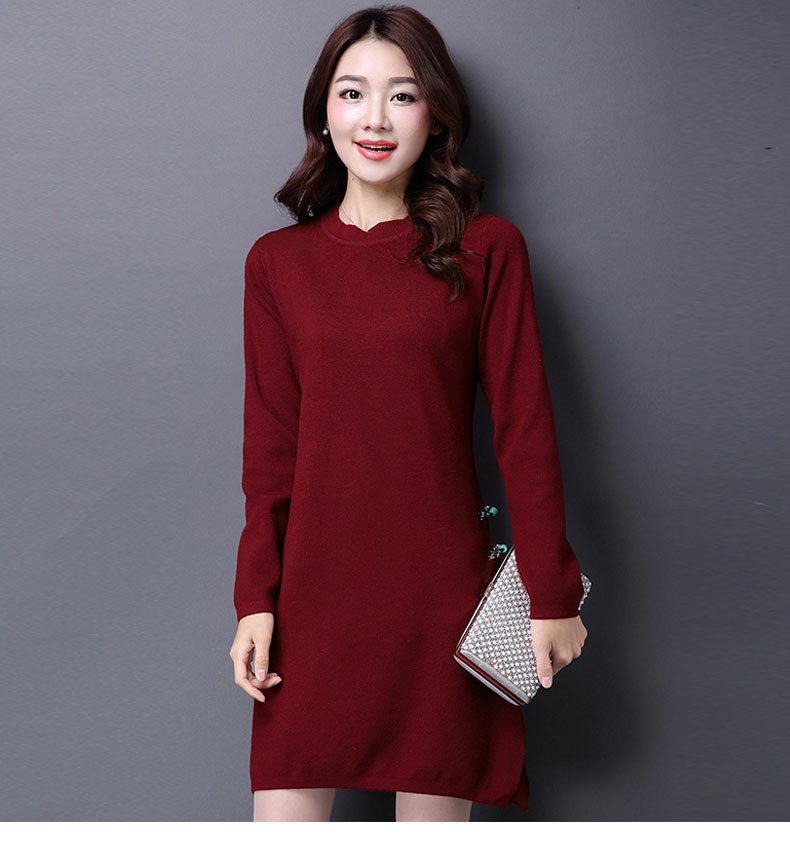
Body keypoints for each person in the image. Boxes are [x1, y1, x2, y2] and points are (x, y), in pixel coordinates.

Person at [228, 4, 588, 822]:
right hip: (312, 603)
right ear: (324, 109)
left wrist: (551, 592)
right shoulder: (276, 265)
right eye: (353, 92)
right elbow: (270, 452)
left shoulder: (489, 250)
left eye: (403, 94)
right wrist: (255, 599)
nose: (376, 120)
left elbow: (525, 431)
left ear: (437, 114)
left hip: (439, 599)